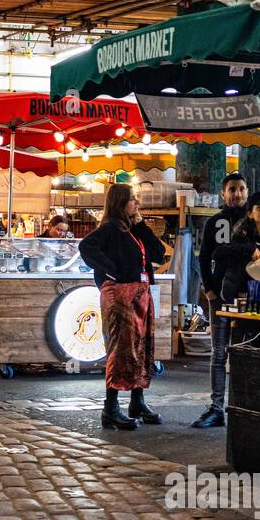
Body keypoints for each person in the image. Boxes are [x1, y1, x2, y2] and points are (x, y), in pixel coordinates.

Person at [79, 183, 167, 430]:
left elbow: (159, 254)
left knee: (141, 347)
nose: (137, 203)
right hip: (120, 296)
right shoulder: (109, 229)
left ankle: (137, 401)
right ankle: (111, 408)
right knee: (121, 349)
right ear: (120, 203)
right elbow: (86, 247)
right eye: (132, 200)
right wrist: (112, 271)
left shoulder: (133, 230)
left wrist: (140, 225)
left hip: (140, 294)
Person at [190, 172, 249, 429]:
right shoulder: (215, 222)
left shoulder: (254, 221)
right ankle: (216, 408)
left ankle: (242, 406)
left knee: (244, 353)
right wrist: (209, 290)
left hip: (248, 296)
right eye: (232, 189)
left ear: (247, 192)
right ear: (223, 194)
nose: (237, 194)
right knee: (219, 352)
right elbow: (203, 258)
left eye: (241, 189)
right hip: (220, 296)